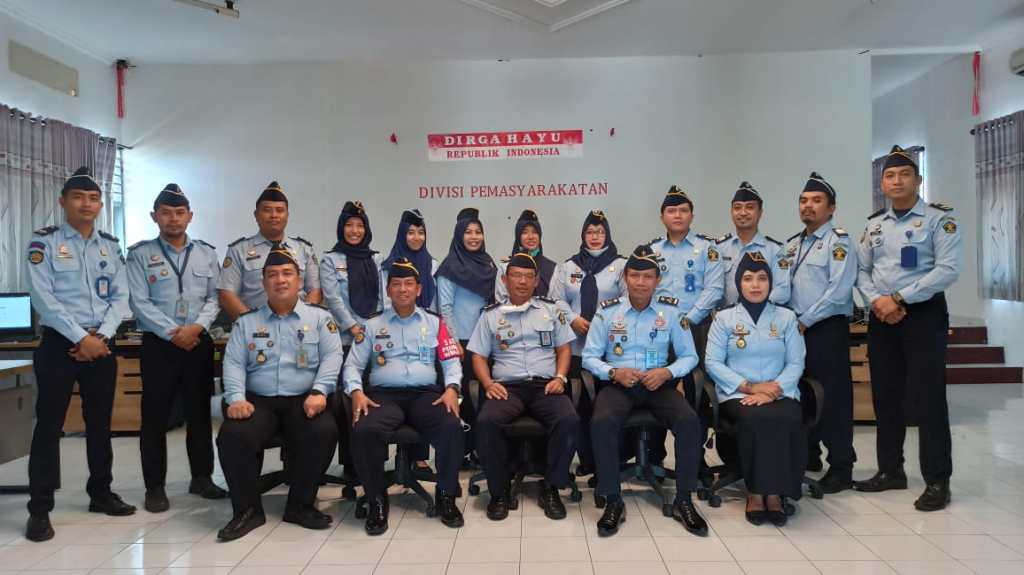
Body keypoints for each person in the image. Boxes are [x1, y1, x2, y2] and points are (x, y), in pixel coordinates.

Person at [24, 167, 135, 542]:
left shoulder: (110, 246)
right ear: (63, 202)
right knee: (49, 425)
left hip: (101, 343)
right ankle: (39, 509)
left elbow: (121, 297)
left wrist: (100, 337)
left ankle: (101, 493)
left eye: (93, 199)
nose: (87, 204)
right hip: (60, 343)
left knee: (100, 424)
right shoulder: (44, 243)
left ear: (101, 205)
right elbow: (43, 298)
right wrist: (80, 337)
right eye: (78, 197)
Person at [853, 145, 962, 512]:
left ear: (918, 180)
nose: (896, 181)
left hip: (923, 316)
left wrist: (899, 298)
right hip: (882, 318)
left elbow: (947, 269)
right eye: (889, 175)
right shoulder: (874, 225)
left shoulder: (939, 220)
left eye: (904, 175)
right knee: (886, 396)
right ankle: (890, 470)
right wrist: (878, 302)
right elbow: (862, 271)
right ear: (882, 183)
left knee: (928, 399)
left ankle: (937, 480)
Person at [215, 248, 342, 541]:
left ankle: (300, 505)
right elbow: (233, 363)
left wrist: (320, 391)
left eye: (287, 274)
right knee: (233, 436)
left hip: (304, 399)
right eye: (272, 275)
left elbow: (333, 356)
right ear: (264, 282)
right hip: (258, 402)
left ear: (299, 280)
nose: (280, 280)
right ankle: (247, 510)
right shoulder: (246, 322)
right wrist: (236, 398)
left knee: (323, 431)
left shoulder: (320, 318)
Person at [582, 244, 707, 537]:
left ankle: (684, 499)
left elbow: (690, 357)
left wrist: (667, 372)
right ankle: (613, 500)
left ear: (657, 279)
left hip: (657, 384)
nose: (640, 282)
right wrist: (613, 372)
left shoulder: (671, 311)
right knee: (601, 422)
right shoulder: (607, 311)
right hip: (619, 384)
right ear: (625, 277)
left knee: (689, 421)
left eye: (648, 276)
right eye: (635, 276)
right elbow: (589, 357)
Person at [344, 258, 465, 535]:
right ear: (388, 290)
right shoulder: (371, 325)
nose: (402, 289)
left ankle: (446, 496)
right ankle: (376, 499)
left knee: (451, 426)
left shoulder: (435, 323)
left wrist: (452, 388)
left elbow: (451, 361)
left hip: (426, 395)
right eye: (396, 284)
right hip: (383, 396)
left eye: (408, 284)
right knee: (364, 430)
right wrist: (356, 391)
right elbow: (353, 365)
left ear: (418, 289)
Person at [126, 183, 227, 513]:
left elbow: (215, 298)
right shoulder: (139, 255)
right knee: (155, 416)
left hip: (198, 341)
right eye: (166, 213)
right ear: (154, 216)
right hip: (159, 344)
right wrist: (174, 333)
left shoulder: (206, 253)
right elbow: (139, 302)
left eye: (179, 213)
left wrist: (195, 328)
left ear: (190, 216)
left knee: (199, 414)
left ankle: (202, 477)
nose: (173, 219)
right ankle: (155, 486)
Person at [468, 253, 579, 521]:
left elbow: (564, 348)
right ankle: (499, 491)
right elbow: (478, 356)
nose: (522, 281)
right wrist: (488, 383)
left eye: (528, 276)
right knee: (486, 421)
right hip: (507, 388)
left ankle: (551, 487)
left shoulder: (552, 311)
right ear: (505, 280)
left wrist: (560, 378)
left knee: (569, 420)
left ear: (536, 281)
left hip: (545, 386)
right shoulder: (491, 315)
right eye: (516, 276)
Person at [706, 252, 807, 527]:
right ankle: (755, 492)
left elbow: (796, 362)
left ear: (770, 283)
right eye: (748, 278)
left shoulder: (786, 317)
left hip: (779, 391)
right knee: (756, 418)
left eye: (762, 278)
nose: (755, 285)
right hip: (739, 394)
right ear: (739, 283)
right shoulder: (724, 318)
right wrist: (751, 388)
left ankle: (775, 494)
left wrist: (773, 390)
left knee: (788, 417)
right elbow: (713, 362)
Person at [780, 172, 857, 492]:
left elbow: (838, 292)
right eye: (803, 201)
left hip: (825, 329)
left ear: (831, 207)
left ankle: (841, 465)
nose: (808, 206)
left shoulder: (838, 243)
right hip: (794, 330)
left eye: (816, 201)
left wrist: (805, 320)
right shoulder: (792, 245)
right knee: (801, 393)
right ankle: (809, 455)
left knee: (834, 398)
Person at [555, 209, 626, 476]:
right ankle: (586, 458)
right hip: (575, 347)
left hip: (609, 348)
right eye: (590, 232)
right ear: (583, 235)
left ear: (607, 234)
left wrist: (602, 324)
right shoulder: (569, 267)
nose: (595, 237)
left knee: (606, 407)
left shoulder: (621, 265)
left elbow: (627, 302)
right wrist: (572, 319)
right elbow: (556, 301)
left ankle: (609, 460)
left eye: (600, 232)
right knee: (580, 405)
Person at [436, 207, 498, 460]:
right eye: (468, 232)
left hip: (485, 341)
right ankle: (459, 451)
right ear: (459, 236)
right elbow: (445, 308)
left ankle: (482, 450)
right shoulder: (450, 266)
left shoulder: (488, 263)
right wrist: (453, 341)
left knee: (485, 396)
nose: (474, 237)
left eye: (478, 232)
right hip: (460, 341)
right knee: (459, 398)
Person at [217, 181, 321, 320]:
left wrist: (302, 321)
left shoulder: (304, 249)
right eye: (267, 210)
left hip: (299, 327)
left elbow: (315, 290)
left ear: (287, 215)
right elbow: (227, 294)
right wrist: (251, 324)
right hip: (254, 328)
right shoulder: (239, 250)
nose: (274, 215)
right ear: (256, 215)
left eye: (280, 210)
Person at [321, 200, 385, 348]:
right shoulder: (330, 259)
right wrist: (353, 327)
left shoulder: (376, 259)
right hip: (343, 339)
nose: (355, 231)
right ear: (341, 228)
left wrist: (374, 327)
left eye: (360, 225)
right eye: (349, 225)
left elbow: (383, 298)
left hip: (375, 336)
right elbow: (333, 299)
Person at [718, 181, 790, 306]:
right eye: (737, 207)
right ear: (731, 212)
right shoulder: (719, 248)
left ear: (760, 212)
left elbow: (783, 290)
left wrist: (753, 309)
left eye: (750, 207)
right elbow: (711, 287)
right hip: (725, 316)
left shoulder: (775, 250)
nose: (743, 212)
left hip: (763, 315)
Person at [495, 209, 561, 302]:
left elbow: (555, 303)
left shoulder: (551, 268)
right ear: (518, 236)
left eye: (534, 232)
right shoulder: (505, 266)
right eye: (525, 232)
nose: (530, 237)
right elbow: (501, 302)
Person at [382, 208, 439, 311]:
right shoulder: (390, 266)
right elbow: (387, 304)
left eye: (421, 233)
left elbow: (435, 305)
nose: (417, 238)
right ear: (402, 235)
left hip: (428, 319)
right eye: (411, 233)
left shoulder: (432, 264)